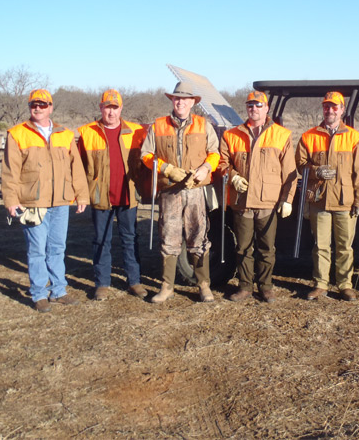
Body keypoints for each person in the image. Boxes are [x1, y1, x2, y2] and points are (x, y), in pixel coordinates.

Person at [1, 89, 90, 313]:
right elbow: (10, 171)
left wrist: (81, 194)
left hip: (60, 201)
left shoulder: (65, 134)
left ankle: (58, 291)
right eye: (34, 104)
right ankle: (39, 293)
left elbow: (76, 168)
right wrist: (11, 200)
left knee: (58, 247)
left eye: (42, 104)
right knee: (37, 249)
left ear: (50, 107)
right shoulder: (17, 134)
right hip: (32, 202)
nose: (37, 108)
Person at [140, 82, 220, 304]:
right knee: (169, 237)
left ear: (193, 102)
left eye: (185, 99)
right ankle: (167, 287)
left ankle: (204, 286)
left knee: (199, 237)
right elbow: (146, 154)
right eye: (177, 98)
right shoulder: (158, 125)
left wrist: (205, 168)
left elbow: (214, 153)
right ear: (172, 101)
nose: (180, 102)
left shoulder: (204, 125)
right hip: (170, 192)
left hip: (195, 191)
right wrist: (165, 168)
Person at [218, 91, 297, 303]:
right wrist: (232, 176)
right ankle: (244, 286)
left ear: (267, 108)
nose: (254, 109)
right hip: (242, 202)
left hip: (268, 203)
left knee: (266, 248)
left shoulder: (282, 135)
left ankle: (265, 287)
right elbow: (222, 163)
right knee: (243, 247)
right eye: (250, 105)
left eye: (258, 105)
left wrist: (287, 199)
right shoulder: (231, 134)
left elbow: (290, 173)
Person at [295, 91, 359, 301]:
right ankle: (320, 284)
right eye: (326, 106)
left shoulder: (354, 138)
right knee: (320, 246)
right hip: (319, 200)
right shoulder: (309, 136)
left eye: (334, 107)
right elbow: (300, 164)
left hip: (345, 202)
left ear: (342, 110)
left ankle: (345, 285)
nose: (330, 110)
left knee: (345, 247)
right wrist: (315, 169)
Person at [78, 89, 147, 301]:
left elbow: (147, 161)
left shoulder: (135, 131)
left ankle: (134, 281)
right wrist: (81, 194)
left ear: (121, 109)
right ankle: (102, 283)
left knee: (130, 239)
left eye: (115, 107)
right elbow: (79, 168)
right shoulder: (87, 132)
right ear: (100, 107)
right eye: (107, 107)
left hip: (128, 196)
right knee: (101, 240)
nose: (111, 112)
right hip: (101, 196)